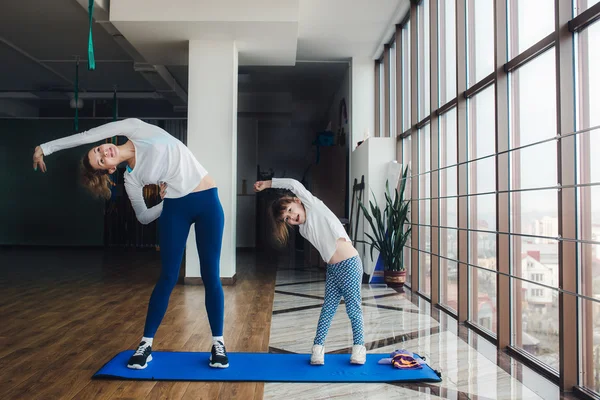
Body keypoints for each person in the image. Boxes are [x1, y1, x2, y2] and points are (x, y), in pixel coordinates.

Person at [32, 118, 229, 369]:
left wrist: (45, 148)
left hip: (207, 202)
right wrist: (162, 203)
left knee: (210, 274)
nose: (104, 154)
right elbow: (144, 217)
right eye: (102, 161)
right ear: (111, 169)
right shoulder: (132, 179)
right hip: (175, 209)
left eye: (98, 151)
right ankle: (146, 345)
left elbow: (86, 134)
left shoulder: (135, 128)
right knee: (168, 276)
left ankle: (218, 344)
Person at [254, 178, 366, 365]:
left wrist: (267, 184)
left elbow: (293, 184)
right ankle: (318, 349)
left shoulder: (313, 206)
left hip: (349, 264)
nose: (291, 218)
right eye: (286, 219)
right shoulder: (304, 230)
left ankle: (359, 348)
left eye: (290, 210)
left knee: (353, 309)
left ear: (298, 201)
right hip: (333, 269)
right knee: (327, 309)